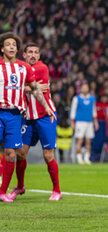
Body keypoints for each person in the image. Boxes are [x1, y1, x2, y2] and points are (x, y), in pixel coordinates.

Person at [0, 32, 55, 203]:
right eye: (8, 44)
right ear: (2, 48)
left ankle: (3, 192)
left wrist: (47, 107)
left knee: (11, 153)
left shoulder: (24, 67)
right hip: (1, 111)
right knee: (14, 153)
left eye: (14, 45)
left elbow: (36, 89)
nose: (11, 47)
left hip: (17, 115)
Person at [70, 83, 99, 165]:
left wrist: (96, 122)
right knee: (79, 140)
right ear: (81, 89)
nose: (85, 89)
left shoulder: (92, 98)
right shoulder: (76, 98)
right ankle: (79, 158)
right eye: (83, 87)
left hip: (89, 122)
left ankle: (86, 158)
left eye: (86, 87)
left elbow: (94, 111)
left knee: (88, 141)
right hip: (80, 122)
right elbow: (73, 110)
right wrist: (72, 122)